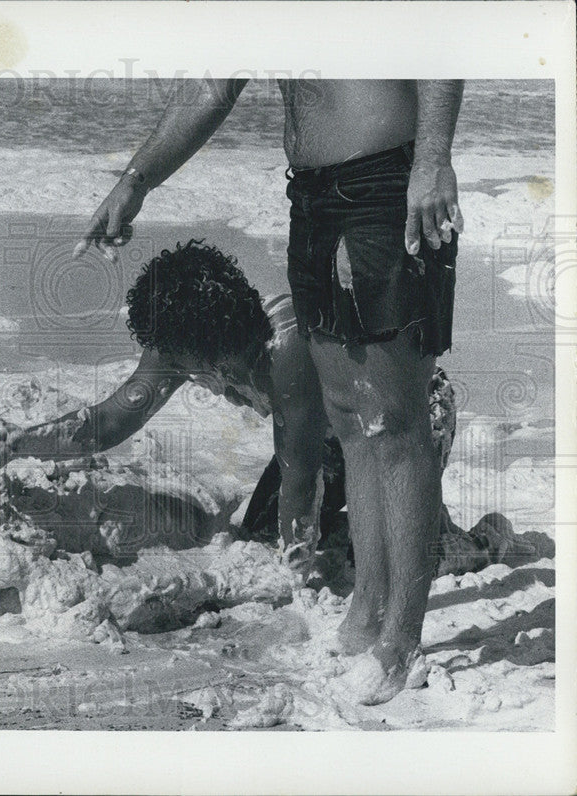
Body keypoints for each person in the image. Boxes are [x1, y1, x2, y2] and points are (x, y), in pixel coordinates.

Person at [72, 80, 465, 704]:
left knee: (392, 422)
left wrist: (434, 159)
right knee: (350, 421)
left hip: (385, 179)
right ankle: (367, 612)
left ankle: (400, 641)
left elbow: (438, 36)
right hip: (309, 194)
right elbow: (213, 82)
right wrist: (136, 180)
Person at [0, 239, 455, 569]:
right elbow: (111, 420)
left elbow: (300, 474)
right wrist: (20, 441)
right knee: (261, 537)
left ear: (213, 352)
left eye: (191, 367)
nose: (182, 374)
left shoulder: (283, 351)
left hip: (403, 417)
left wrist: (292, 574)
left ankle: (449, 537)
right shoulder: (180, 341)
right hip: (325, 435)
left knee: (372, 554)